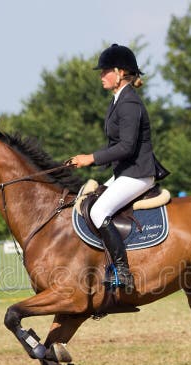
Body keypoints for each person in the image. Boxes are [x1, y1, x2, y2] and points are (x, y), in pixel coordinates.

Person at [69, 43, 169, 293]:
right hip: (125, 173)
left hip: (138, 173)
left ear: (120, 72)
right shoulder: (118, 101)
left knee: (99, 211)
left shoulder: (129, 104)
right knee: (89, 200)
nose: (101, 76)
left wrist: (91, 158)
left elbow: (126, 147)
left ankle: (122, 271)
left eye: (105, 71)